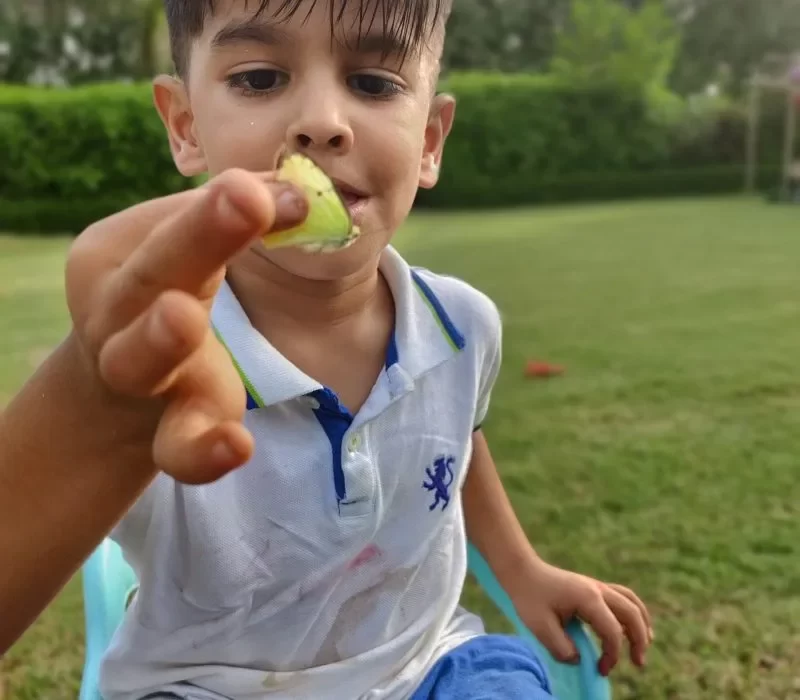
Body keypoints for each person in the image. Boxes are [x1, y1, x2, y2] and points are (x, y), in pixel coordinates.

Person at [0, 0, 653, 698]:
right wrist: (97, 401)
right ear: (186, 125)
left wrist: (522, 570)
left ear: (430, 141)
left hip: (427, 663)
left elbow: (456, 435)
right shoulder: (158, 351)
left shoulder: (462, 323)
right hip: (207, 685)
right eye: (258, 78)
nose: (320, 121)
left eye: (373, 83)